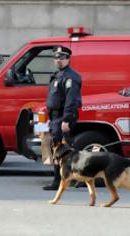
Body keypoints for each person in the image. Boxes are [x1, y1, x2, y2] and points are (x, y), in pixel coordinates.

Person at [43, 46, 82, 191]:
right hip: (55, 117)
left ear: (68, 59)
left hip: (63, 117)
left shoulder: (71, 77)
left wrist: (66, 119)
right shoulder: (58, 75)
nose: (58, 60)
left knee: (65, 150)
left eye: (62, 57)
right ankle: (61, 179)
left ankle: (64, 180)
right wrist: (49, 117)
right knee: (57, 148)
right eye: (56, 57)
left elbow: (71, 100)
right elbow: (53, 98)